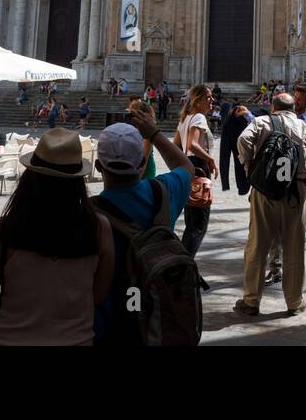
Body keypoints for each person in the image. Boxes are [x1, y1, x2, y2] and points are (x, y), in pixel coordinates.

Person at [0, 130, 113, 346]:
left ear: (30, 179)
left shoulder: (4, 231)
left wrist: (21, 308)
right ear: (77, 183)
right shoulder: (98, 229)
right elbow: (96, 296)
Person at [92, 112, 195, 346]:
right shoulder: (164, 192)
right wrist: (155, 134)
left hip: (108, 327)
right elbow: (186, 166)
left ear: (98, 166)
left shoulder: (89, 214)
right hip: (156, 319)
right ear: (142, 163)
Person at [233, 91, 306, 317]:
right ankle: (294, 302)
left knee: (258, 245)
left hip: (265, 191)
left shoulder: (261, 122)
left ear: (273, 108)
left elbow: (243, 140)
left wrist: (249, 168)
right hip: (296, 191)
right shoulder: (304, 126)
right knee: (295, 247)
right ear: (293, 107)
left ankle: (251, 301)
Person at [174, 84, 218, 257]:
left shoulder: (185, 118)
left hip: (188, 169)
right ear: (198, 101)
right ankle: (184, 266)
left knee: (191, 223)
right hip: (199, 168)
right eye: (208, 97)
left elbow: (176, 146)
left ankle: (182, 262)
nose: (212, 100)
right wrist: (211, 159)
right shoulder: (199, 117)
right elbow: (193, 144)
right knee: (199, 225)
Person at [219, 104, 253, 195]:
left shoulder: (248, 119)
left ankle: (244, 188)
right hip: (241, 153)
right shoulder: (229, 124)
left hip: (241, 154)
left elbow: (224, 154)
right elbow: (224, 154)